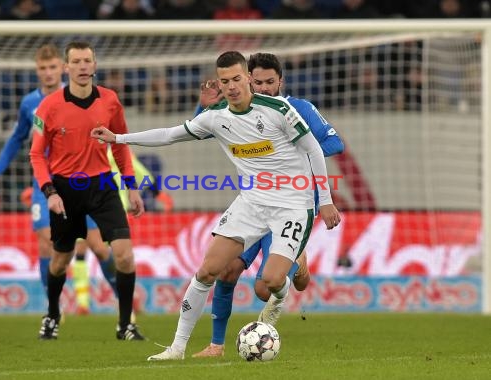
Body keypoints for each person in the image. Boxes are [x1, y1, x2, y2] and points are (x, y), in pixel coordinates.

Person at [91, 51, 341, 360]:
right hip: (251, 204)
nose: (232, 86)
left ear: (247, 78)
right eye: (225, 81)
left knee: (270, 282)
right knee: (208, 271)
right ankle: (177, 348)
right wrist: (118, 137)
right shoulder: (216, 116)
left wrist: (326, 201)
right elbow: (170, 135)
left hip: (291, 205)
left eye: (237, 79)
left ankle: (283, 289)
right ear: (219, 83)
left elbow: (315, 149)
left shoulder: (280, 110)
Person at [192, 52, 344, 357]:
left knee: (264, 290)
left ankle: (298, 262)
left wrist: (290, 152)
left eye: (269, 82)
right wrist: (204, 105)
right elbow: (202, 127)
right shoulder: (241, 108)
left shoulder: (297, 109)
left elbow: (333, 142)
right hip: (254, 206)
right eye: (257, 82)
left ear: (281, 82)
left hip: (289, 207)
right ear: (249, 79)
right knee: (226, 270)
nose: (263, 88)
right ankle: (216, 345)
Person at [0, 44, 121, 322]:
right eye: (42, 68)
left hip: (81, 181)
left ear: (63, 68)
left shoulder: (80, 97)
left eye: (52, 67)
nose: (48, 73)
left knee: (98, 245)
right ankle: (53, 309)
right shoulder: (29, 104)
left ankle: (122, 295)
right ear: (37, 71)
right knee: (46, 243)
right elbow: (16, 140)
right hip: (44, 183)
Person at [28, 41, 145, 341]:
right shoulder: (49, 106)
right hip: (65, 190)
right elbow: (37, 154)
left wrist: (131, 187)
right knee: (60, 261)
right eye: (76, 62)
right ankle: (53, 315)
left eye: (87, 61)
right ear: (66, 68)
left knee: (124, 256)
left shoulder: (110, 101)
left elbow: (119, 142)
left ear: (95, 65)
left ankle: (125, 325)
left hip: (103, 185)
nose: (82, 66)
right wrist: (49, 191)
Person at [73, 150, 173, 315]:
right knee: (88, 251)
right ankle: (85, 303)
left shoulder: (113, 146)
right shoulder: (98, 145)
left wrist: (156, 192)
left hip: (107, 208)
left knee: (108, 254)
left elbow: (136, 170)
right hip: (91, 205)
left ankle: (122, 299)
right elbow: (138, 170)